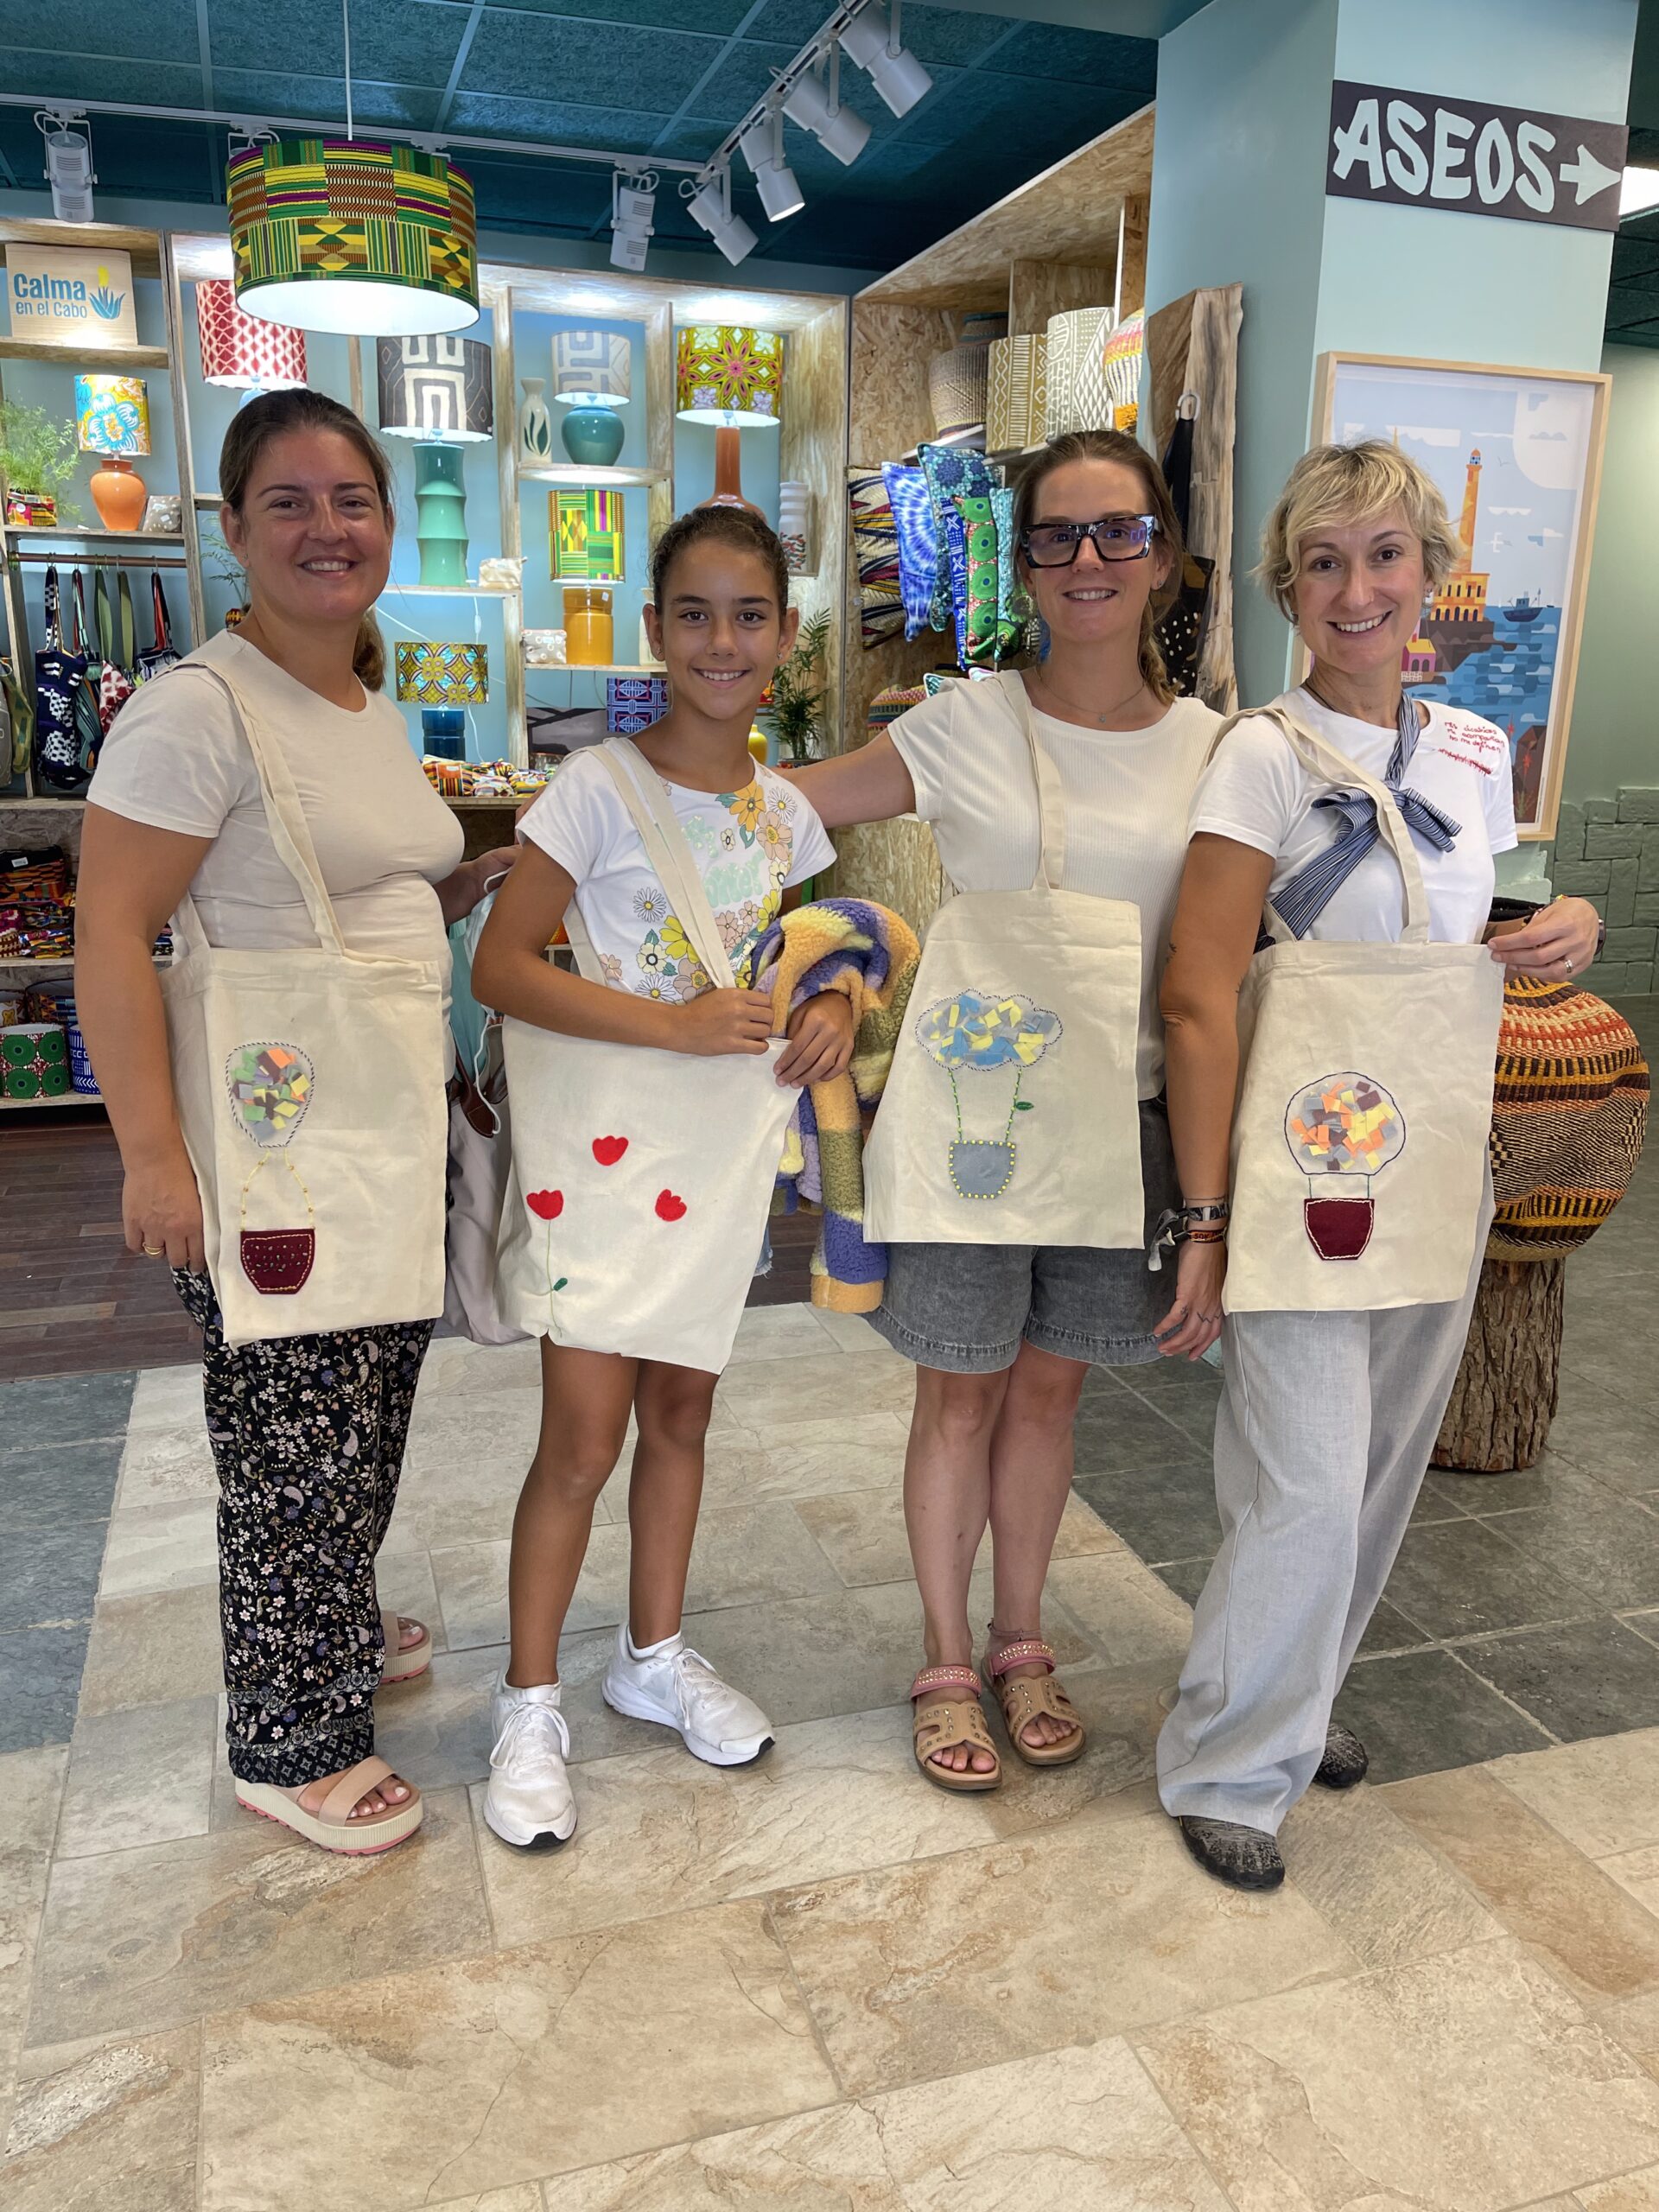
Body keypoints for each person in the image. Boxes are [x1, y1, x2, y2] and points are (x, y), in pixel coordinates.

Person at [1155, 440, 1602, 1889]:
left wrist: (1556, 925)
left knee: (1378, 1472)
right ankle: (1228, 1762)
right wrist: (1207, 1217)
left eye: (1387, 555)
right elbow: (1199, 991)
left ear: (1431, 575)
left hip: (1434, 1156)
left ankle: (1295, 1703)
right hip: (1300, 1167)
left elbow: (1443, 931)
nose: (1359, 589)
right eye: (1326, 562)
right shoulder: (1259, 755)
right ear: (1289, 587)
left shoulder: (1472, 750)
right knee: (1300, 1474)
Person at [75, 390, 514, 1855]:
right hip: (275, 1139)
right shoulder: (196, 709)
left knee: (362, 1400)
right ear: (233, 527)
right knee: (292, 1439)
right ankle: (287, 1734)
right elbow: (111, 932)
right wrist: (152, 1157)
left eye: (352, 500)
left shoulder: (360, 702)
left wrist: (461, 891)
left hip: (373, 1119)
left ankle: (327, 1619)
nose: (329, 528)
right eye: (290, 502)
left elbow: (344, 895)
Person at [788, 429, 1224, 1792]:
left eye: (1119, 531)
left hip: (1127, 1123)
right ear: (1022, 561)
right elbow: (774, 815)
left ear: (1163, 556)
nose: (1089, 558)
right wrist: (587, 830)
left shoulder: (1220, 752)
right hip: (973, 1119)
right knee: (960, 1393)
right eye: (1057, 534)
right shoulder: (963, 724)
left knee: (1048, 1392)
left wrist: (1515, 925)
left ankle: (1021, 1639)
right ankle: (942, 1656)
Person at [467, 505, 845, 1851]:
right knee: (582, 1437)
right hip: (605, 1154)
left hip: (717, 1158)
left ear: (785, 636)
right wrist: (675, 1027)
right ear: (655, 631)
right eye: (694, 614)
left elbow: (814, 951)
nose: (721, 642)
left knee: (682, 1412)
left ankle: (653, 1653)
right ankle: (527, 1702)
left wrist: (833, 1005)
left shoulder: (788, 814)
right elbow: (501, 966)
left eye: (749, 616)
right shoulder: (594, 787)